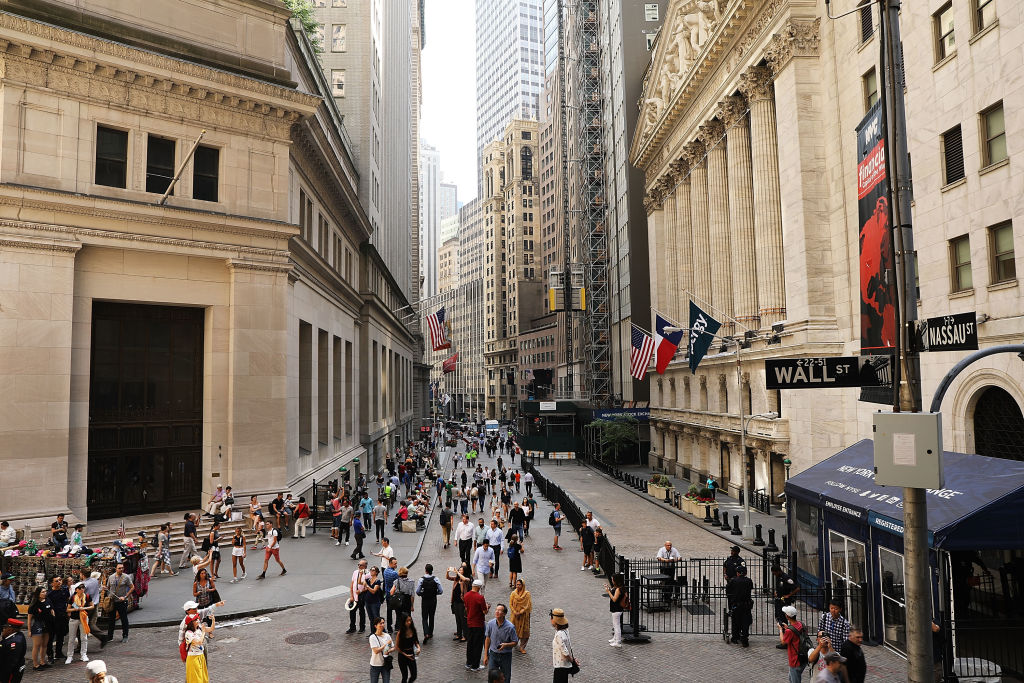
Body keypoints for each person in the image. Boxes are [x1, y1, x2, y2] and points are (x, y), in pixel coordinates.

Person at [483, 604, 518, 682]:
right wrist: (485, 655)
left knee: (505, 677)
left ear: (504, 614)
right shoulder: (490, 624)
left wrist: (506, 645)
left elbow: (515, 642)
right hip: (493, 654)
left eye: (499, 610)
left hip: (505, 656)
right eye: (496, 610)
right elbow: (487, 639)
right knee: (492, 678)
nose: (497, 612)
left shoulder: (510, 627)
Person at [103, 563, 133, 643]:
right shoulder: (111, 577)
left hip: (122, 601)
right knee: (111, 620)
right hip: (112, 601)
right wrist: (106, 589)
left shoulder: (126, 577)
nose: (121, 569)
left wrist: (125, 596)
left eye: (122, 568)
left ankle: (125, 635)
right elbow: (108, 587)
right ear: (116, 569)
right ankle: (110, 636)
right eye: (119, 568)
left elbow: (132, 587)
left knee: (124, 619)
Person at [464, 578, 490, 671]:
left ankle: (469, 662)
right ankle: (475, 665)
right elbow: (484, 611)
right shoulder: (480, 598)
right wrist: (487, 607)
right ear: (478, 588)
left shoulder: (466, 595)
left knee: (470, 643)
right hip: (478, 624)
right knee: (477, 645)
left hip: (470, 622)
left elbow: (467, 608)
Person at [182, 611, 214, 683]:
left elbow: (211, 629)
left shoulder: (198, 629)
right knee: (196, 680)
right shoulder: (188, 633)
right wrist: (203, 632)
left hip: (201, 656)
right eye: (196, 620)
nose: (198, 620)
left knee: (203, 678)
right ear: (191, 623)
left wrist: (213, 620)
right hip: (193, 659)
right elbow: (199, 642)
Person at [65, 583, 93, 663]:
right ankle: (69, 656)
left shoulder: (87, 596)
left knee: (84, 637)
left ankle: (83, 654)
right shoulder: (73, 598)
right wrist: (76, 609)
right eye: (80, 588)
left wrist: (84, 608)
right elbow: (68, 609)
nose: (82, 590)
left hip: (83, 618)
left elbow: (92, 606)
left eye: (83, 588)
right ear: (76, 589)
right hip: (74, 619)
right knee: (71, 638)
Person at [778, 604, 807, 683]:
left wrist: (780, 630)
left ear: (787, 616)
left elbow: (783, 642)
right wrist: (788, 628)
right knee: (791, 678)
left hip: (795, 659)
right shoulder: (801, 624)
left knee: (794, 680)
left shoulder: (789, 631)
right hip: (803, 657)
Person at [726, 565, 753, 647]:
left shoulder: (733, 580)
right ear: (745, 573)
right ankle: (744, 636)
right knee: (745, 621)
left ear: (737, 573)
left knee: (735, 621)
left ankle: (735, 637)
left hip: (736, 605)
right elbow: (750, 589)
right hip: (746, 605)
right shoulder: (749, 581)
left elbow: (728, 590)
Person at [26, 586, 52, 671]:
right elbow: (29, 619)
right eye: (43, 592)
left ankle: (42, 661)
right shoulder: (34, 604)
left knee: (44, 645)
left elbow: (51, 609)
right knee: (36, 645)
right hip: (37, 625)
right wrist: (29, 630)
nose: (45, 593)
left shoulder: (48, 600)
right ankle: (35, 664)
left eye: (45, 591)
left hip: (47, 625)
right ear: (38, 594)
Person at [415, 564, 443, 641]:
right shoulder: (436, 579)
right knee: (431, 616)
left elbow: (417, 591)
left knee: (424, 617)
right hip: (433, 600)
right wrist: (435, 593)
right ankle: (430, 633)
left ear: (425, 570)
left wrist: (421, 594)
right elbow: (441, 591)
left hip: (425, 600)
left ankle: (426, 633)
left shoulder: (421, 579)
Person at [46, 576, 68, 664]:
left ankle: (59, 652)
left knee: (61, 635)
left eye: (60, 580)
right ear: (52, 583)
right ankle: (50, 655)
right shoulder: (49, 594)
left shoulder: (64, 590)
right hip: (54, 617)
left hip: (62, 615)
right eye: (56, 581)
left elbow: (67, 600)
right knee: (51, 637)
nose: (59, 582)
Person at [772, 565, 800, 636]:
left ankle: (785, 634)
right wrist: (776, 591)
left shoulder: (786, 578)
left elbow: (797, 588)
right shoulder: (778, 577)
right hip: (778, 600)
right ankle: (783, 632)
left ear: (778, 571)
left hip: (784, 601)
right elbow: (779, 587)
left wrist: (789, 595)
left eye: (774, 573)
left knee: (783, 617)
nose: (774, 575)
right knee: (778, 616)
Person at [550, 608, 576, 683]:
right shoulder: (565, 631)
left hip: (560, 666)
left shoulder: (558, 634)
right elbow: (569, 646)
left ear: (554, 621)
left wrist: (572, 661)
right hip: (564, 665)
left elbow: (565, 652)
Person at [447, 564, 471, 642]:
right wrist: (447, 572)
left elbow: (465, 579)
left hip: (462, 602)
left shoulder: (466, 579)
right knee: (457, 618)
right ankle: (459, 634)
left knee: (463, 619)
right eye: (459, 570)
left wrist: (457, 572)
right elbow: (448, 577)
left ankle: (465, 635)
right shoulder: (456, 579)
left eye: (461, 570)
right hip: (455, 601)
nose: (460, 571)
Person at [395, 613, 420, 683]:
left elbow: (415, 641)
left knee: (414, 675)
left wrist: (418, 647)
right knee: (404, 676)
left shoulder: (413, 630)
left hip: (411, 654)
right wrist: (405, 655)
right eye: (407, 621)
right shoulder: (400, 633)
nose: (409, 622)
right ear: (403, 622)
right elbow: (397, 647)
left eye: (410, 620)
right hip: (402, 655)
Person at [368, 617, 395, 683]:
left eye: (383, 623)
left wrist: (388, 651)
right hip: (375, 665)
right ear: (375, 626)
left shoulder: (387, 635)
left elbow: (393, 647)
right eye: (380, 623)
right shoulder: (372, 637)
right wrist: (385, 645)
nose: (382, 625)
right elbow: (376, 651)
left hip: (385, 664)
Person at [508, 579, 531, 654]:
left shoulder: (527, 594)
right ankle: (514, 642)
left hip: (523, 616)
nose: (518, 586)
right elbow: (510, 604)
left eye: (519, 585)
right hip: (515, 616)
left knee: (525, 632)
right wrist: (515, 612)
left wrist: (521, 612)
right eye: (517, 584)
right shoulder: (513, 594)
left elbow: (528, 605)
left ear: (522, 585)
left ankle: (522, 646)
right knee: (514, 629)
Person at [0, 618, 27, 683]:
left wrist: (2, 677)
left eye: (4, 628)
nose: (3, 630)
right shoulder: (18, 635)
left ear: (10, 629)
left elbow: (11, 663)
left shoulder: (14, 643)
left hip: (10, 673)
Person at [347, 560, 369, 634]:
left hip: (361, 596)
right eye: (358, 565)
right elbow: (352, 584)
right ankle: (352, 627)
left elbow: (368, 587)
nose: (359, 566)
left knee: (361, 611)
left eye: (361, 565)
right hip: (354, 596)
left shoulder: (368, 574)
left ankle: (362, 627)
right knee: (352, 611)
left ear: (365, 566)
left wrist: (361, 591)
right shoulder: (355, 572)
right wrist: (351, 595)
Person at [605, 573, 625, 647]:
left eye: (613, 579)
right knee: (615, 624)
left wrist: (608, 592)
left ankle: (618, 642)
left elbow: (614, 599)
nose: (612, 580)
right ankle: (615, 638)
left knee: (616, 626)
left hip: (617, 609)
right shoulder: (618, 587)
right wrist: (610, 589)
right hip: (616, 609)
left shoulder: (618, 589)